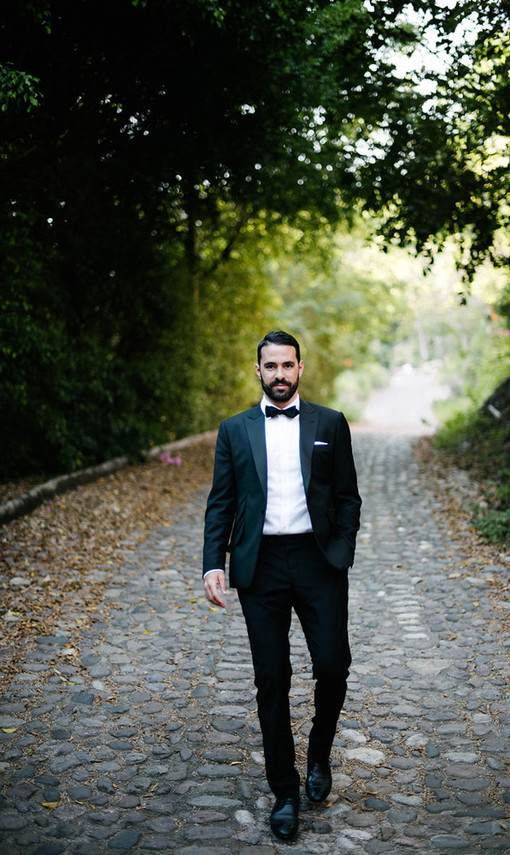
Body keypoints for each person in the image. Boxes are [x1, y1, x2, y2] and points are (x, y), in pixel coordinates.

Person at [202, 330, 361, 842]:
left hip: (318, 562)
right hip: (261, 565)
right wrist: (213, 562)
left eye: (287, 366)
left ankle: (319, 753)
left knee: (333, 665)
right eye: (270, 366)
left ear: (299, 368)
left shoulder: (330, 424)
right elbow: (221, 501)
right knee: (272, 678)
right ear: (258, 371)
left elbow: (348, 497)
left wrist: (341, 552)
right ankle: (285, 791)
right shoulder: (234, 430)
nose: (279, 375)